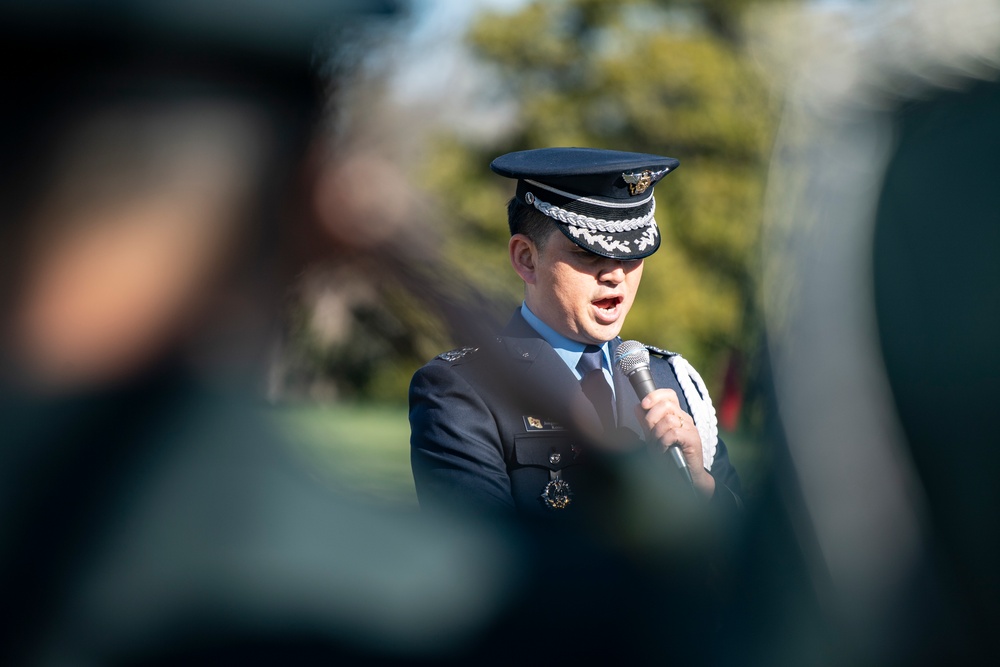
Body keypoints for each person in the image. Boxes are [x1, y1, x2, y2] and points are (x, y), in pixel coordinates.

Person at [410, 147, 743, 520]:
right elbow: (482, 561)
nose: (616, 274)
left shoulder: (671, 379)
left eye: (632, 254)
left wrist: (700, 488)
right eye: (588, 253)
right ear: (526, 258)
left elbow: (754, 556)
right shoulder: (464, 389)